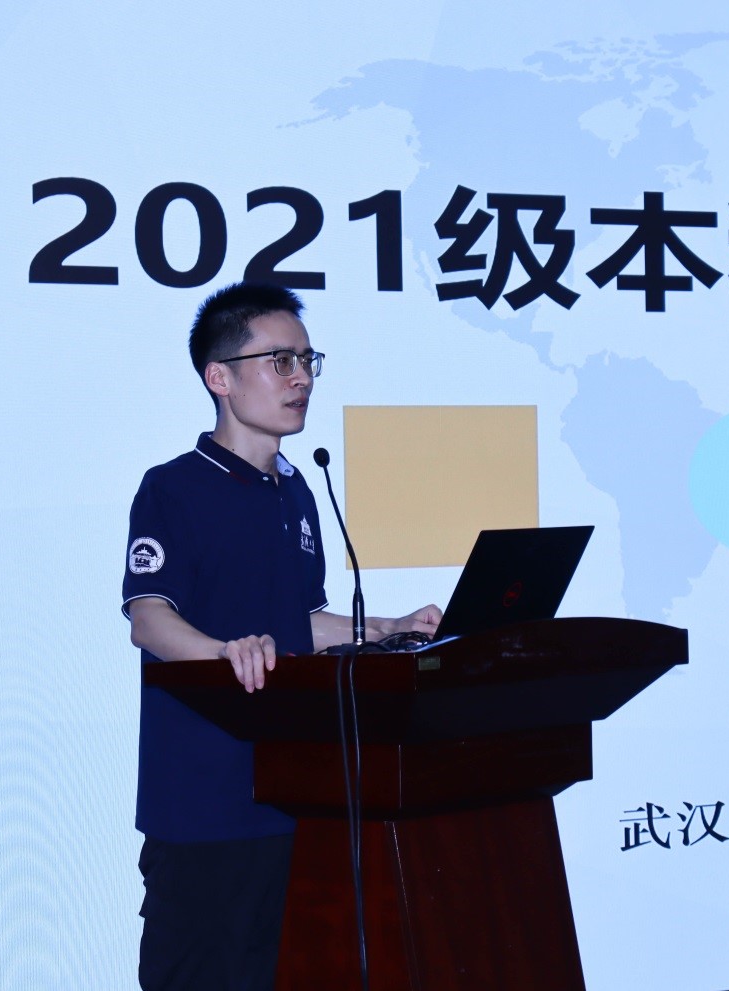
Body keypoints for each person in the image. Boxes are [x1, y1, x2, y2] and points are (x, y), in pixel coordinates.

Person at [122, 281, 441, 991]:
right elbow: (149, 616)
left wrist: (389, 628)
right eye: (280, 361)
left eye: (306, 360)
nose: (301, 379)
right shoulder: (174, 487)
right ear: (220, 377)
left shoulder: (296, 489)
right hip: (203, 802)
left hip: (296, 795)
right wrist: (222, 653)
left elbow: (300, 621)